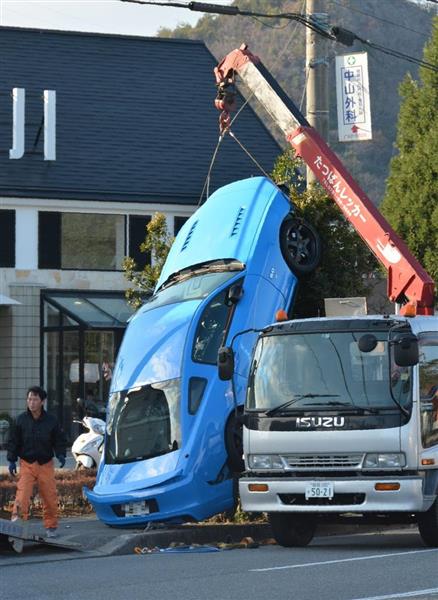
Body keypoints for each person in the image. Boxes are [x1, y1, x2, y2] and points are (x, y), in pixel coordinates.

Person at [7, 385, 67, 538]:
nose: (31, 402)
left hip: (45, 464)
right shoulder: (20, 420)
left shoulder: (51, 421)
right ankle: (17, 525)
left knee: (50, 496)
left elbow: (59, 440)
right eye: (29, 399)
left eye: (34, 399)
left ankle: (51, 527)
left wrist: (60, 454)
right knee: (23, 495)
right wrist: (12, 460)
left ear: (42, 401)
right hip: (27, 463)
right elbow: (13, 442)